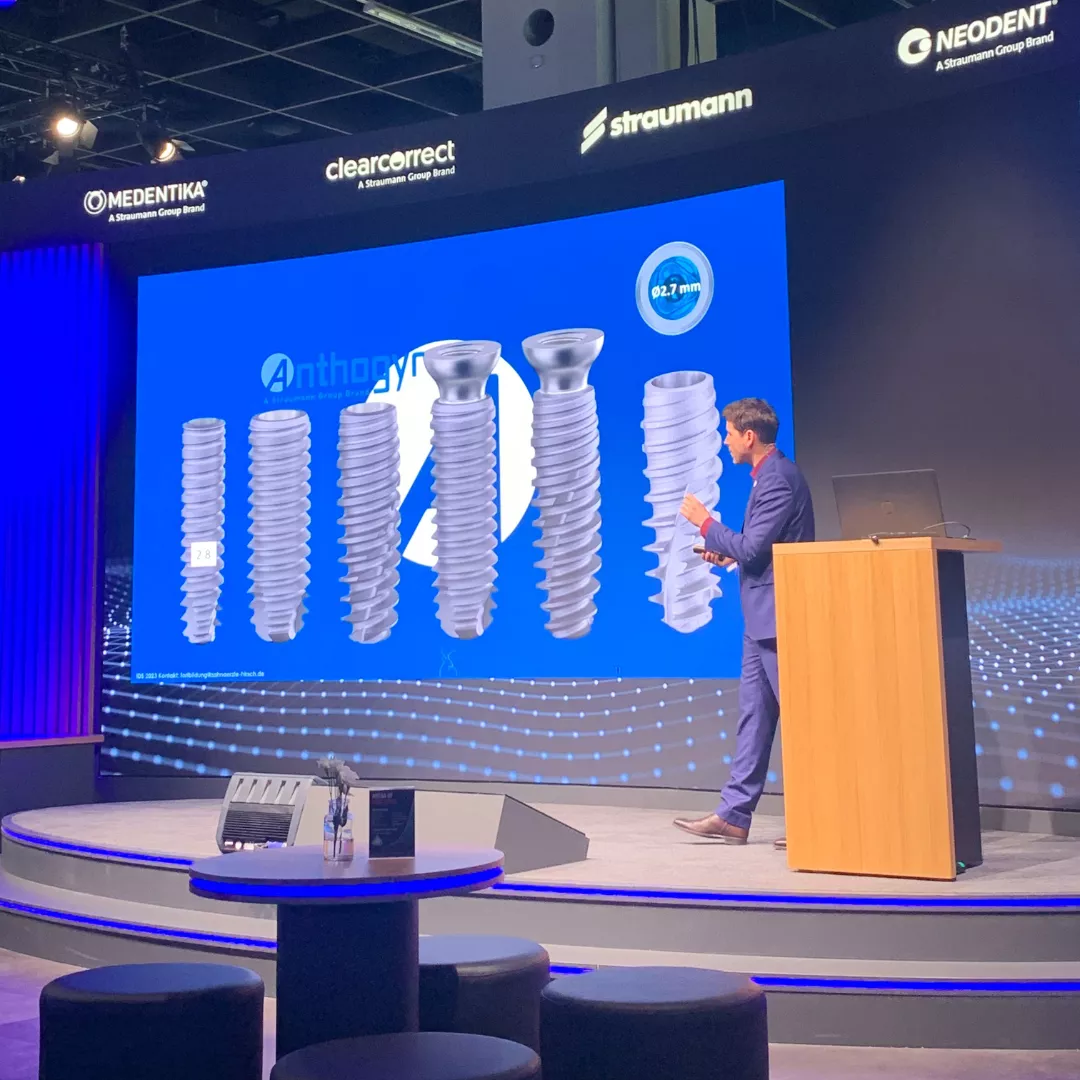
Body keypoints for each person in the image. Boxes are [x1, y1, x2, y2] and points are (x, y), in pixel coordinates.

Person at [673, 398, 814, 846]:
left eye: (730, 433)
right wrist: (726, 554)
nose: (725, 441)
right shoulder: (766, 478)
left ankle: (817, 821)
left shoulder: (778, 479)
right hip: (761, 620)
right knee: (754, 718)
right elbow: (758, 552)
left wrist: (706, 524)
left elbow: (753, 548)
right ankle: (734, 814)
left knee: (803, 721)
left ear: (749, 436)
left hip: (779, 618)